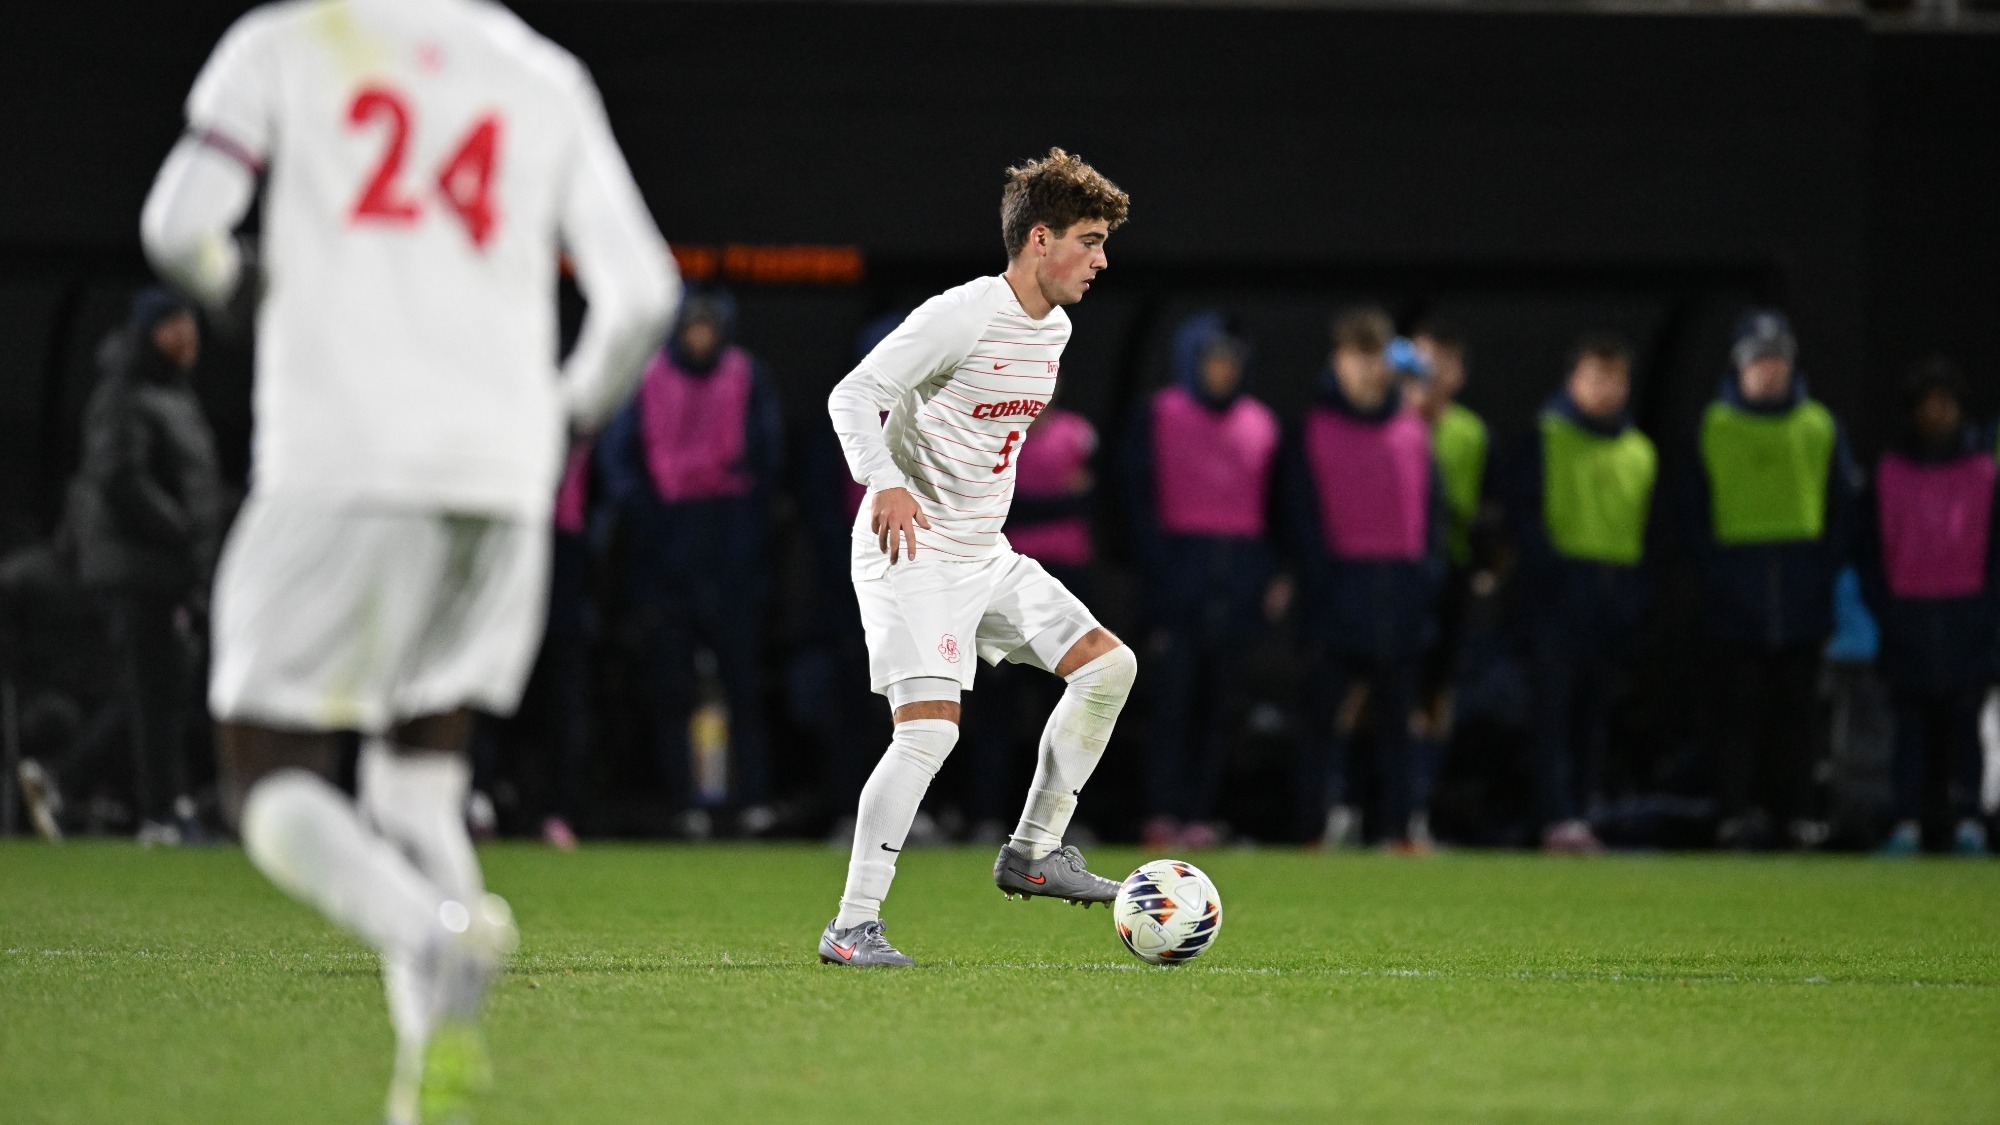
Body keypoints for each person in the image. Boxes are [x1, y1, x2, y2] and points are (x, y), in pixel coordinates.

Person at [139, 1, 678, 1119]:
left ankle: (422, 930)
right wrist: (560, 425)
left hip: (341, 456)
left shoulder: (284, 42)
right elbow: (641, 298)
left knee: (262, 773)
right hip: (501, 477)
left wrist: (246, 293)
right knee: (420, 784)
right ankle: (421, 1100)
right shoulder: (542, 71)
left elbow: (177, 230)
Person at [818, 148, 1134, 968]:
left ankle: (1033, 851)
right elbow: (851, 394)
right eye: (1090, 241)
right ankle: (852, 925)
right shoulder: (962, 314)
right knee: (928, 734)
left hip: (982, 555)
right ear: (1040, 238)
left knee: (1108, 667)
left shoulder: (1056, 329)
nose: (1102, 260)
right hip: (910, 549)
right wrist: (882, 481)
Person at [600, 290, 783, 838]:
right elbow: (620, 458)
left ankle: (750, 803)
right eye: (692, 327)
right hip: (667, 546)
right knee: (670, 685)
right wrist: (644, 520)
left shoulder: (746, 375)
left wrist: (750, 528)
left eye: (709, 327)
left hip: (729, 543)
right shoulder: (649, 375)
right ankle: (684, 805)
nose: (700, 337)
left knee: (744, 685)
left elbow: (768, 456)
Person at [1686, 310, 1859, 849]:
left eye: (1777, 360)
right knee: (1736, 711)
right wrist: (1717, 572)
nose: (1769, 371)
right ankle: (1736, 813)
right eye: (1759, 361)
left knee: (1799, 713)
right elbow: (1690, 511)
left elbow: (1843, 508)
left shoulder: (1818, 426)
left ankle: (1798, 815)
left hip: (1801, 594)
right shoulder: (1715, 425)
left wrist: (1819, 570)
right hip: (1735, 595)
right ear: (1740, 367)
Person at [69, 287, 226, 844]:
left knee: (157, 692)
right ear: (150, 331)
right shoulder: (125, 392)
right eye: (176, 326)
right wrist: (182, 529)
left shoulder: (173, 395)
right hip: (139, 569)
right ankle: (160, 812)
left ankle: (65, 781)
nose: (189, 339)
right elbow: (119, 479)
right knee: (155, 692)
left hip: (171, 570)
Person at [1288, 306, 1446, 852]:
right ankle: (1313, 828)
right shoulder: (1313, 428)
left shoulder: (1412, 431)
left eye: (1375, 356)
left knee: (1399, 724)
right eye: (1357, 356)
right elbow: (1299, 518)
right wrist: (1319, 584)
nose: (1367, 369)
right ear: (1338, 361)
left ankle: (1397, 830)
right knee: (1322, 721)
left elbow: (1432, 517)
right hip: (1337, 592)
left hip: (1399, 592)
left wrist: (1426, 581)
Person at [1125, 312, 1280, 849]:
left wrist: (1267, 575)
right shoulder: (1161, 413)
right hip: (1179, 580)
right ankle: (1162, 811)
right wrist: (1160, 571)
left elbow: (1275, 507)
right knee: (1171, 702)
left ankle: (1200, 812)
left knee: (1220, 707)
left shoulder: (1262, 422)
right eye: (1212, 360)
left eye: (1230, 362)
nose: (1222, 371)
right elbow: (1136, 500)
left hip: (1237, 581)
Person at [1506, 333, 1657, 854]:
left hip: (1612, 602)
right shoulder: (1545, 436)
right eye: (1595, 377)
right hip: (1555, 600)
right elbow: (1522, 516)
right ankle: (1555, 815)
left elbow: (1649, 531)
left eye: (1615, 379)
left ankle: (1585, 813)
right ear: (1573, 380)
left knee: (1595, 717)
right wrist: (1549, 577)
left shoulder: (1639, 450)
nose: (1605, 389)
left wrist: (1634, 594)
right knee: (1553, 714)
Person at [1856, 359, 1996, 857]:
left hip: (1967, 616)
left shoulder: (1984, 472)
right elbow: (1869, 549)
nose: (1937, 412)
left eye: (1946, 402)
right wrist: (1886, 609)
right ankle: (1907, 822)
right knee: (1909, 731)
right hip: (1909, 616)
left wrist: (1987, 615)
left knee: (1965, 728)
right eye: (1928, 403)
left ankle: (1969, 822)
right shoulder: (1891, 471)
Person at [961, 391, 1100, 843]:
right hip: (1005, 583)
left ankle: (1054, 823)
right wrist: (1060, 502)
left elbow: (1099, 501)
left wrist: (1030, 506)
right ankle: (986, 816)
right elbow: (997, 508)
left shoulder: (1079, 434)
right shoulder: (993, 435)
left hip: (1065, 581)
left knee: (1063, 708)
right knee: (995, 706)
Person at [1399, 326, 1489, 842]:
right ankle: (1355, 811)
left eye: (1439, 367)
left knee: (1437, 699)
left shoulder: (1470, 433)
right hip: (1398, 575)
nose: (1427, 379)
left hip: (1448, 578)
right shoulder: (1390, 426)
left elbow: (1486, 509)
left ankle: (1418, 810)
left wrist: (1483, 569)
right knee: (1381, 698)